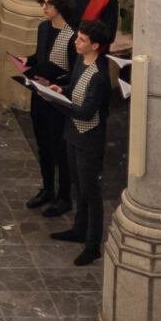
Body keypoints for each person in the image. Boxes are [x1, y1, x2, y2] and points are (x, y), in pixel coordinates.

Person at [49, 18, 114, 265]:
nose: (76, 42)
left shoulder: (99, 75)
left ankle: (92, 244)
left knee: (91, 190)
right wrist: (60, 90)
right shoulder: (80, 60)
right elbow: (74, 87)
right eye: (77, 37)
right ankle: (79, 228)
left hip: (89, 137)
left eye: (82, 40)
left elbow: (87, 112)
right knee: (77, 183)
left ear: (96, 46)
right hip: (72, 133)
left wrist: (57, 103)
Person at [23, 0, 78, 216]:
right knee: (43, 145)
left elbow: (75, 72)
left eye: (49, 3)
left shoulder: (73, 35)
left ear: (60, 6)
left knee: (59, 149)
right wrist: (27, 60)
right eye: (43, 2)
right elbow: (41, 56)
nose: (44, 7)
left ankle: (64, 196)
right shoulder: (43, 27)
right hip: (39, 96)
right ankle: (47, 189)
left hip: (57, 97)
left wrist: (53, 83)